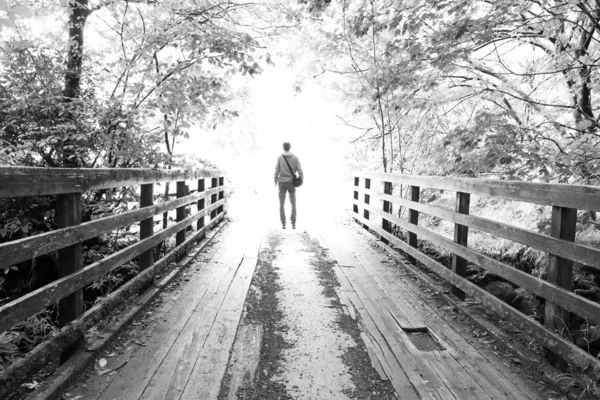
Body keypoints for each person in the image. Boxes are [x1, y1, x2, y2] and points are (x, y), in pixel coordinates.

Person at [274, 142, 303, 229]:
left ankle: (283, 223)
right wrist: (301, 179)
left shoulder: (279, 158)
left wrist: (275, 180)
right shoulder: (295, 158)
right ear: (289, 148)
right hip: (291, 184)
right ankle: (293, 223)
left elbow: (276, 170)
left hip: (282, 184)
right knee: (293, 203)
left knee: (281, 204)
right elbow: (300, 171)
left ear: (283, 148)